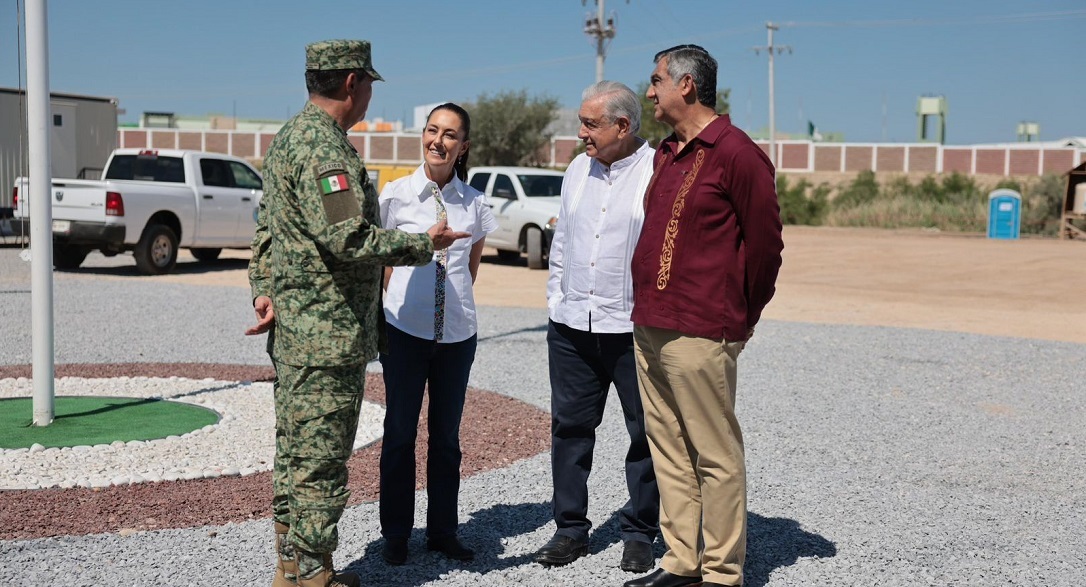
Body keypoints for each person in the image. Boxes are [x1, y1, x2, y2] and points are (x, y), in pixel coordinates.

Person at [246, 39, 470, 587]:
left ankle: (291, 569)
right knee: (321, 461)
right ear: (352, 83)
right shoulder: (326, 151)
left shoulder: (288, 138)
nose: (369, 93)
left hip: (296, 329)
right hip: (328, 334)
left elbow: (267, 228)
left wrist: (263, 289)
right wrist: (423, 244)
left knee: (295, 453)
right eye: (368, 83)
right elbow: (348, 238)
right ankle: (313, 576)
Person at [624, 45, 784, 587]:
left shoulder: (737, 153)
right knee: (668, 449)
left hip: (701, 327)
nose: (650, 92)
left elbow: (766, 247)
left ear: (686, 85)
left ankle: (721, 571)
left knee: (714, 454)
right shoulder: (668, 152)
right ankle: (681, 561)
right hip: (650, 322)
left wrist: (743, 315)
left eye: (656, 81)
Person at [532, 81, 660, 574]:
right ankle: (569, 529)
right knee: (569, 429)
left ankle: (639, 532)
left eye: (590, 123)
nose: (580, 133)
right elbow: (563, 241)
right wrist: (556, 302)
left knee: (645, 433)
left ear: (622, 126)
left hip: (632, 331)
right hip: (572, 329)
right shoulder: (577, 170)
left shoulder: (655, 170)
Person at [376, 103, 497, 566]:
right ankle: (396, 534)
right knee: (399, 434)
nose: (438, 141)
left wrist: (447, 312)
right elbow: (384, 262)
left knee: (446, 438)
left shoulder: (475, 203)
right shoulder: (395, 195)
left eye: (449, 135)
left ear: (463, 146)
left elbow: (470, 268)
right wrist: (403, 304)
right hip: (404, 332)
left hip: (457, 338)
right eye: (432, 130)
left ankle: (443, 531)